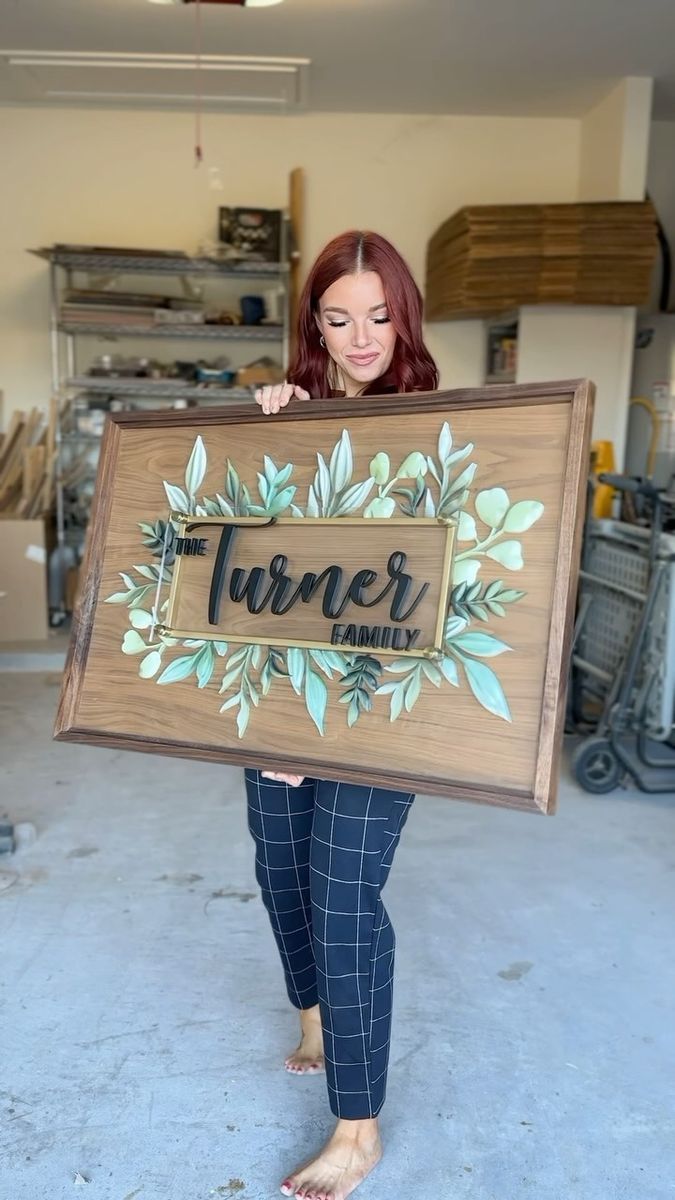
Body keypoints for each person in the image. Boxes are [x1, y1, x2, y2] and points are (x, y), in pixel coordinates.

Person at [246, 230, 438, 1200]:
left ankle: (355, 1131)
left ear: (403, 314)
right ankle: (314, 1013)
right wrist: (273, 423)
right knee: (278, 870)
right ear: (312, 323)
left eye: (379, 314)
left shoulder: (441, 424)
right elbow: (253, 570)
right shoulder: (290, 415)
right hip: (279, 692)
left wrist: (323, 733)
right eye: (338, 316)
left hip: (378, 708)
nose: (362, 337)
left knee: (342, 898)